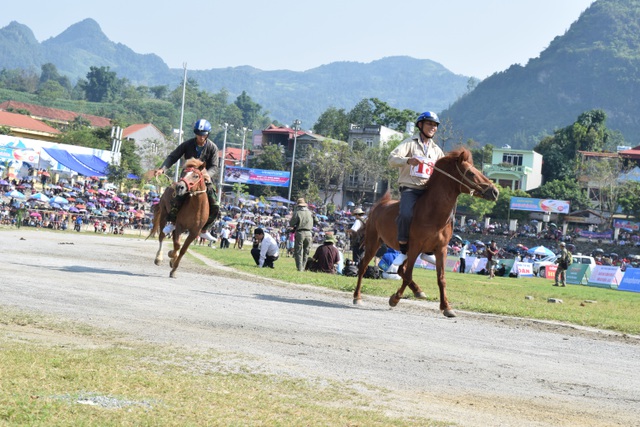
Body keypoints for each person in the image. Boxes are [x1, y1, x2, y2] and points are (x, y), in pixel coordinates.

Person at [387, 111, 445, 266]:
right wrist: (407, 160)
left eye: (435, 125)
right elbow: (391, 159)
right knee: (406, 214)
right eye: (429, 124)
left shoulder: (437, 150)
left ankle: (428, 251)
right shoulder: (409, 143)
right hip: (410, 189)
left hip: (428, 191)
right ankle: (404, 249)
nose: (433, 127)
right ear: (420, 125)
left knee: (441, 215)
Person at [154, 119, 219, 241]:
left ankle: (204, 229)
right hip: (187, 178)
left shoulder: (212, 148)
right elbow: (173, 156)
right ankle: (172, 222)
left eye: (203, 134)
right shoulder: (187, 144)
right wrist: (162, 169)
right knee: (177, 196)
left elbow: (214, 166)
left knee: (215, 203)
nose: (200, 136)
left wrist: (207, 174)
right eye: (198, 133)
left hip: (204, 179)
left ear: (207, 134)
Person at [289, 198, 314, 271]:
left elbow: (292, 223)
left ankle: (299, 268)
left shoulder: (297, 212)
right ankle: (303, 266)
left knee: (298, 251)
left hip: (300, 233)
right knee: (306, 251)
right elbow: (316, 221)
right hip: (309, 232)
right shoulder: (310, 212)